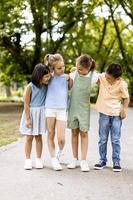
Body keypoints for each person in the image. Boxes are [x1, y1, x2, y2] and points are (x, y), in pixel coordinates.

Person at [94, 63, 129, 172]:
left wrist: (124, 110)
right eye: (106, 76)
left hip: (116, 115)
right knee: (103, 139)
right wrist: (76, 69)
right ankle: (102, 160)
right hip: (104, 114)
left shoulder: (122, 84)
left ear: (117, 78)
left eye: (109, 78)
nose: (106, 78)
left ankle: (116, 161)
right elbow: (89, 74)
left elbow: (126, 98)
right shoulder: (102, 77)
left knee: (115, 139)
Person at [67, 54, 99, 172]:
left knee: (84, 133)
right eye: (77, 68)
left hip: (84, 110)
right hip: (73, 108)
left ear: (88, 68)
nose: (79, 71)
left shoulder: (93, 76)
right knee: (74, 133)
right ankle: (74, 159)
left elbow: (104, 80)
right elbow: (67, 87)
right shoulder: (73, 75)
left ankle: (83, 161)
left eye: (81, 69)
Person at [19, 64, 51, 170]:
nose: (48, 78)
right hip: (31, 113)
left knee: (38, 137)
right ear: (39, 76)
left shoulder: (46, 86)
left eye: (48, 76)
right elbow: (26, 104)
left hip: (41, 113)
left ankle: (38, 159)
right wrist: (27, 119)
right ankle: (27, 160)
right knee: (29, 137)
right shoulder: (30, 87)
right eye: (46, 77)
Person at [44, 53, 72, 171]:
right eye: (59, 68)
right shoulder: (48, 77)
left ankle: (59, 151)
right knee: (50, 134)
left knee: (61, 138)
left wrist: (70, 78)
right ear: (53, 68)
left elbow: (70, 87)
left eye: (63, 67)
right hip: (50, 108)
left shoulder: (66, 78)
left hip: (61, 110)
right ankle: (54, 159)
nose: (62, 69)